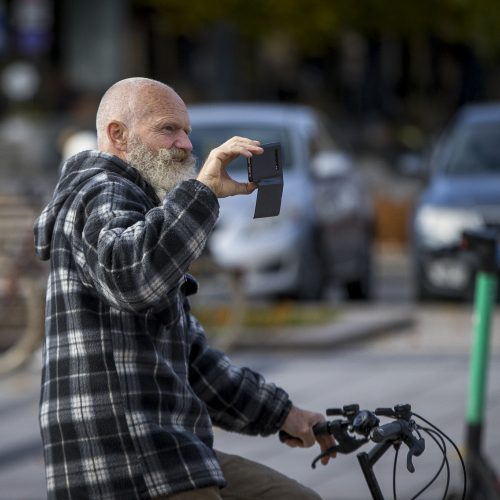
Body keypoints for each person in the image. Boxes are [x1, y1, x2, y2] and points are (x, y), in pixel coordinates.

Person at [34, 77, 335, 500]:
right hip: (127, 457)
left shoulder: (142, 205)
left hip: (169, 450)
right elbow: (134, 279)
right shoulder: (101, 190)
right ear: (118, 135)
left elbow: (192, 359)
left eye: (187, 132)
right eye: (167, 129)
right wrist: (201, 194)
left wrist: (285, 414)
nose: (186, 145)